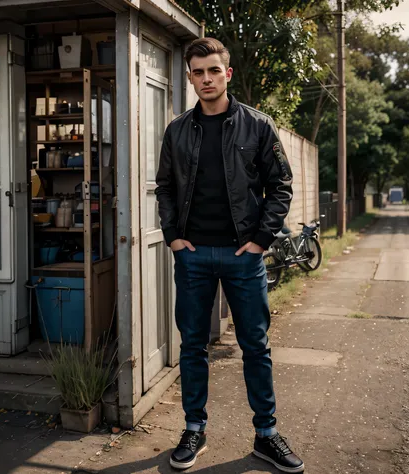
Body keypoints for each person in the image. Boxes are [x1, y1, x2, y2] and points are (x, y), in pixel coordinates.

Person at [155, 37, 304, 473]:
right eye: (198, 72)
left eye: (213, 70)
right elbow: (164, 186)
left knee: (255, 345)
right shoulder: (177, 130)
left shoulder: (258, 126)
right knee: (193, 346)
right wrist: (173, 237)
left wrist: (261, 240)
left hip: (244, 255)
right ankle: (194, 428)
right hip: (194, 255)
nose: (206, 79)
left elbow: (281, 185)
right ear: (190, 77)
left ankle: (267, 435)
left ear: (227, 74)